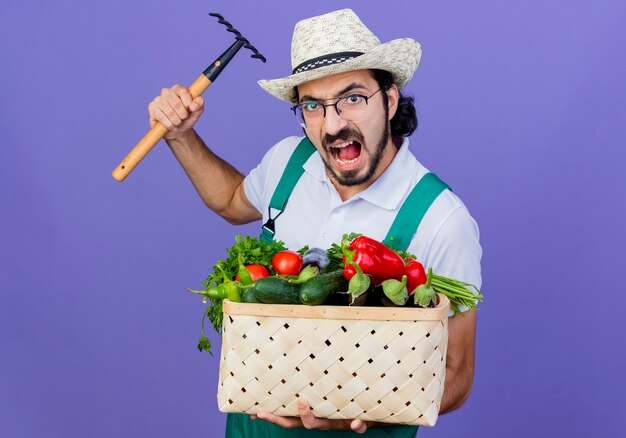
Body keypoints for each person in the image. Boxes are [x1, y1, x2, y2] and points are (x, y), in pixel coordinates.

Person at [148, 8, 481, 437]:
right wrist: (180, 135)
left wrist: (358, 411)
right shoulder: (288, 161)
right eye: (313, 106)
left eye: (353, 98)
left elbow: (457, 373)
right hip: (253, 428)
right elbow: (231, 200)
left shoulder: (442, 220)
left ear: (390, 98)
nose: (334, 123)